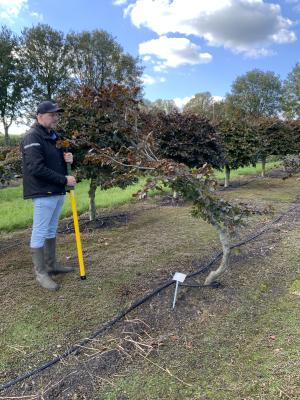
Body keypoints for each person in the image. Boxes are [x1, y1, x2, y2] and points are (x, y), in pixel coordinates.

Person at [21, 100, 76, 291]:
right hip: (44, 191)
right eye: (52, 114)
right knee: (40, 230)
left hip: (57, 191)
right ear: (39, 116)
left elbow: (56, 159)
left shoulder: (54, 136)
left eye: (56, 115)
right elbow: (36, 168)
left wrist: (68, 157)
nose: (55, 118)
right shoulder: (32, 137)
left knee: (51, 229)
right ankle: (41, 273)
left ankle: (52, 265)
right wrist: (64, 180)